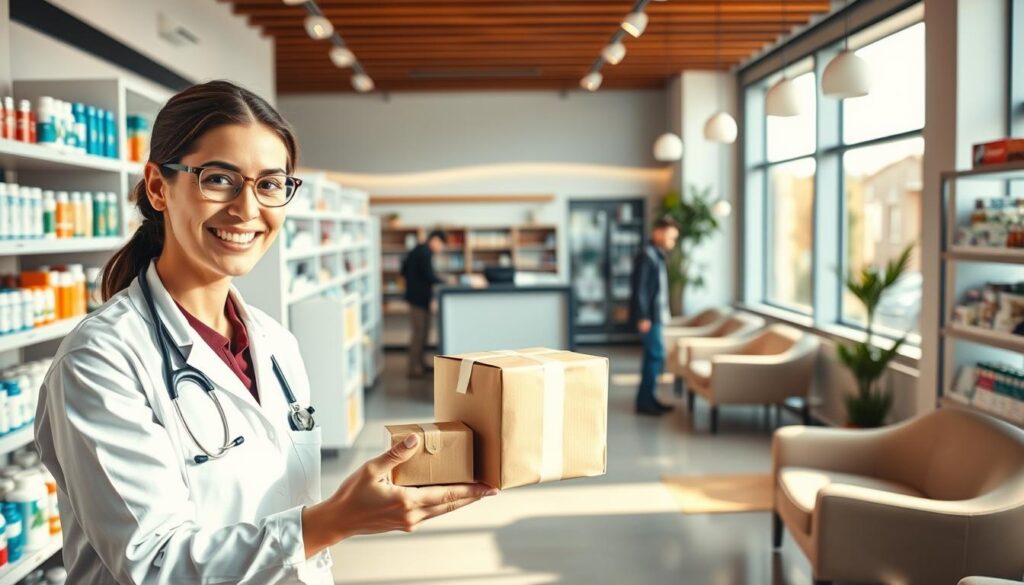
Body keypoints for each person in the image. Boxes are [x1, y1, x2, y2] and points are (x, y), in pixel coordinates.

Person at [34, 81, 495, 584]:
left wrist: (338, 518)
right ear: (158, 187)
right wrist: (337, 519)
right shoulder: (101, 359)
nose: (247, 208)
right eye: (218, 179)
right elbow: (155, 564)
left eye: (271, 184)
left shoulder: (275, 344)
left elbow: (287, 513)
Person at [629, 216, 681, 416]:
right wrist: (643, 316)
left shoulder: (657, 255)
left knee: (652, 357)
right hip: (650, 317)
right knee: (656, 355)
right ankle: (645, 402)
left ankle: (648, 398)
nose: (672, 242)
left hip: (657, 316)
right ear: (658, 232)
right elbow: (640, 289)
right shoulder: (647, 255)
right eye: (670, 237)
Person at [401, 229, 447, 378]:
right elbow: (429, 276)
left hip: (420, 298)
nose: (441, 249)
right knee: (419, 333)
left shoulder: (420, 250)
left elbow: (404, 270)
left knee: (424, 332)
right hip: (418, 299)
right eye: (441, 244)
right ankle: (413, 368)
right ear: (435, 240)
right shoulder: (424, 252)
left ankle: (420, 363)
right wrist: (446, 281)